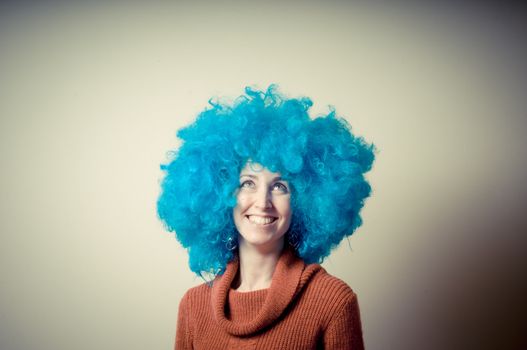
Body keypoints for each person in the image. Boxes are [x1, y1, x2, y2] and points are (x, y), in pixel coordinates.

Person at [157, 85, 376, 349]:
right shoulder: (193, 306)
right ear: (222, 192)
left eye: (280, 187)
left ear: (304, 201)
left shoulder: (332, 302)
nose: (262, 202)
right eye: (248, 183)